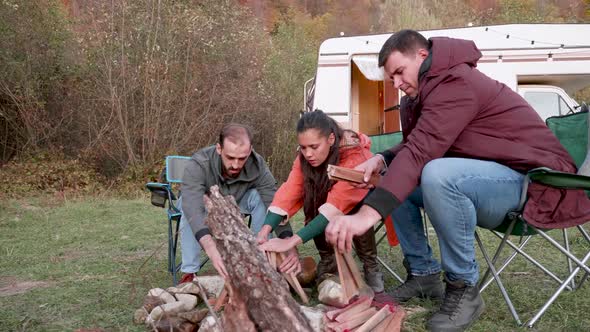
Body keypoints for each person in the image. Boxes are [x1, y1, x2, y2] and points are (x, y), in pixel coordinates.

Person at [324, 29, 590, 331]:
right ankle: (424, 274)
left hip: (537, 182)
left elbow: (423, 151)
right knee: (397, 174)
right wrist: (383, 158)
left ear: (422, 56)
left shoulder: (456, 82)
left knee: (438, 174)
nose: (397, 84)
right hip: (495, 178)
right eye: (392, 78)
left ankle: (464, 288)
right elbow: (420, 144)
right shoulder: (425, 92)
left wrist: (365, 216)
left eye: (399, 72)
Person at [257, 110, 386, 294]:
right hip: (329, 205)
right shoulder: (304, 159)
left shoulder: (354, 155)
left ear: (331, 139)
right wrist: (265, 230)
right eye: (303, 147)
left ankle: (370, 265)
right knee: (314, 196)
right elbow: (290, 191)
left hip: (362, 206)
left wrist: (291, 242)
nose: (308, 153)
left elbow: (338, 204)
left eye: (314, 147)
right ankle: (328, 259)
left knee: (356, 208)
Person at [178, 123, 294, 282]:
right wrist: (210, 247)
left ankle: (260, 258)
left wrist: (288, 241)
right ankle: (190, 273)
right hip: (204, 207)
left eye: (242, 158)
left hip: (237, 204)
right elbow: (192, 205)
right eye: (230, 158)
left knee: (259, 196)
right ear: (219, 149)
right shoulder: (199, 162)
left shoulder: (257, 164)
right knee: (188, 206)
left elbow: (274, 202)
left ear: (250, 149)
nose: (236, 165)